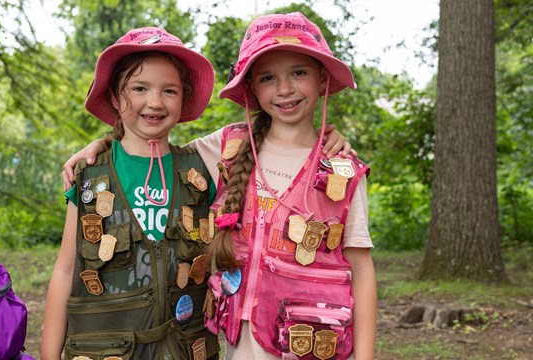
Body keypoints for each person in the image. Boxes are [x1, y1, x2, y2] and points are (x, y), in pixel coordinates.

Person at [203, 12, 376, 360]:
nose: (284, 89)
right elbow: (152, 151)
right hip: (243, 348)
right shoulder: (226, 148)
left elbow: (362, 269)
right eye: (268, 77)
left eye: (298, 72)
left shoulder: (342, 170)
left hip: (314, 344)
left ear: (323, 78)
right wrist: (99, 146)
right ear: (251, 86)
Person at [40, 27, 222, 360]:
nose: (154, 102)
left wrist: (330, 137)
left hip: (183, 347)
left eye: (170, 90)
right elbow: (65, 270)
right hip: (105, 349)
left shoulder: (201, 167)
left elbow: (278, 139)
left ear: (184, 98)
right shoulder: (91, 175)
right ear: (114, 96)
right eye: (139, 88)